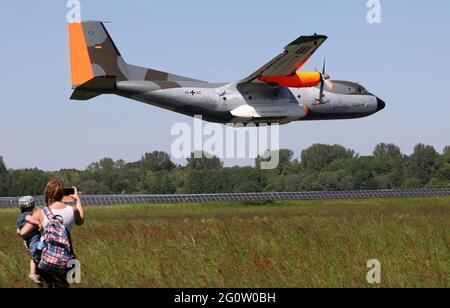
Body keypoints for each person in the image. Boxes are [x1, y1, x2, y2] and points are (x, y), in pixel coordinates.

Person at [20, 180, 85, 288]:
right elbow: (81, 221)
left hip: (45, 260)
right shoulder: (72, 210)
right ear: (62, 194)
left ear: (47, 194)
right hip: (65, 259)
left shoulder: (42, 212)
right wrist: (77, 199)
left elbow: (23, 232)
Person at [16, 196, 42, 284]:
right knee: (36, 255)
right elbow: (29, 218)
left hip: (28, 239)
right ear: (32, 205)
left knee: (35, 255)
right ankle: (32, 273)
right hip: (34, 238)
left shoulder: (20, 216)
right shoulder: (28, 215)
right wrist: (38, 223)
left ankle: (33, 273)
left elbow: (18, 230)